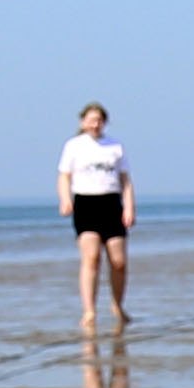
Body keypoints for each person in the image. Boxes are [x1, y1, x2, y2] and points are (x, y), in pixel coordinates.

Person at [56, 102, 134, 328]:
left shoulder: (115, 146)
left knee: (118, 261)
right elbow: (64, 176)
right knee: (91, 258)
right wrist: (65, 200)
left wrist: (129, 207)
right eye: (91, 120)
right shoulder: (73, 146)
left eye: (99, 120)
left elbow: (125, 181)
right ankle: (89, 310)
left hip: (111, 203)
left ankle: (117, 305)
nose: (95, 124)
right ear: (83, 122)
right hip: (85, 203)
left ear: (105, 122)